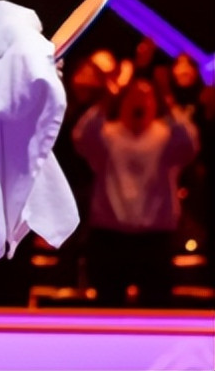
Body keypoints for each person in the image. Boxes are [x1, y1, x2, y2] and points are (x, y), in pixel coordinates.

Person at [72, 75, 199, 307]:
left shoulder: (166, 137)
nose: (140, 102)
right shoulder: (107, 135)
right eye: (134, 96)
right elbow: (82, 137)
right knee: (108, 306)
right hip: (110, 236)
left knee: (156, 307)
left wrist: (169, 104)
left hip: (155, 238)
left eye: (146, 97)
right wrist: (105, 102)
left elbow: (190, 144)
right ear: (123, 102)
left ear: (155, 104)